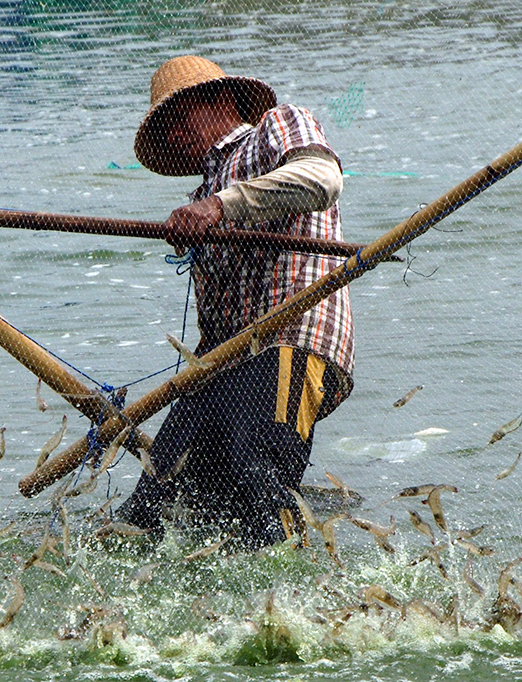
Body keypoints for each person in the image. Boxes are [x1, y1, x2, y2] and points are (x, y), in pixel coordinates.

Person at [115, 56, 354, 550]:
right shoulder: (202, 191)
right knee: (152, 505)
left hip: (290, 344)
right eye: (164, 127)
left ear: (219, 100)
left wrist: (221, 206)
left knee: (253, 467)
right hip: (223, 366)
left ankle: (301, 596)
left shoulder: (276, 125)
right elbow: (218, 325)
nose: (174, 135)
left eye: (177, 117)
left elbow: (321, 179)